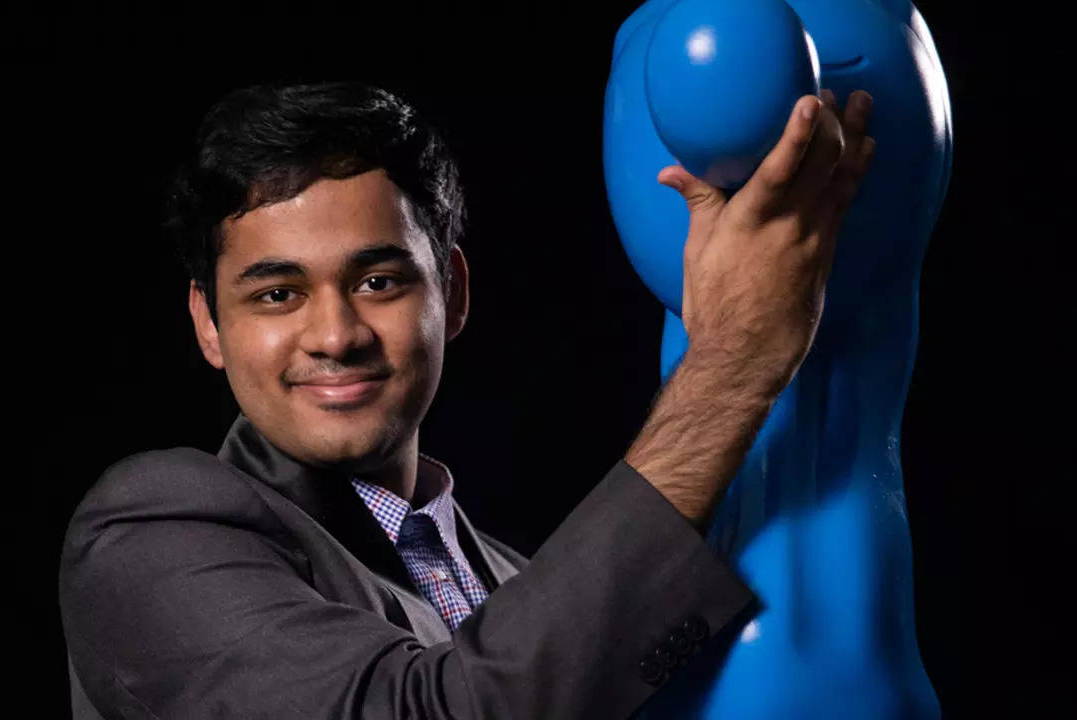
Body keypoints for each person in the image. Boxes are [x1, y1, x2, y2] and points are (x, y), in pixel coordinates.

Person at [58, 80, 874, 719]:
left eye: (378, 282)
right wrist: (732, 361)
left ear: (451, 289)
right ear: (209, 324)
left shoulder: (518, 583)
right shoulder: (151, 534)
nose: (335, 334)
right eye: (276, 295)